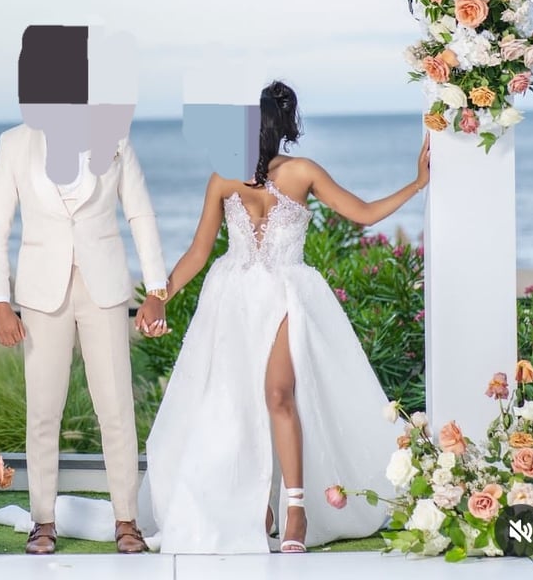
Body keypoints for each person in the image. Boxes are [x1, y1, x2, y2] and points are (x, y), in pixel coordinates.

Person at [135, 80, 430, 554]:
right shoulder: (223, 178)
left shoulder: (303, 171)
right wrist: (159, 296)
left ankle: (296, 509)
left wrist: (418, 183)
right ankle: (258, 507)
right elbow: (198, 251)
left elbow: (365, 213)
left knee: (278, 394)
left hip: (288, 293)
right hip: (231, 297)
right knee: (234, 404)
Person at [0, 25, 169, 555]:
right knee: (43, 411)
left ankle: (127, 520)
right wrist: (0, 301)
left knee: (116, 409)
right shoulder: (14, 144)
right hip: (41, 296)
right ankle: (43, 521)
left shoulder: (115, 140)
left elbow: (141, 214)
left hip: (106, 290)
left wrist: (155, 289)